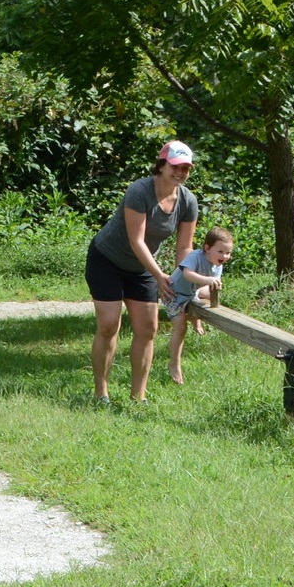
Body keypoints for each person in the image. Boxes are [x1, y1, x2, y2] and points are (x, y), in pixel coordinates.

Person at [86, 141, 200, 402]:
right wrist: (160, 276)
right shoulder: (140, 191)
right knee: (108, 325)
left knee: (148, 328)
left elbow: (185, 247)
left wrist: (186, 281)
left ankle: (138, 397)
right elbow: (136, 240)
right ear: (161, 166)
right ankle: (101, 393)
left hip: (144, 267)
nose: (180, 172)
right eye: (175, 166)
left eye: (185, 168)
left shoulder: (188, 201)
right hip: (107, 260)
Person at [162, 226, 233, 384]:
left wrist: (215, 286)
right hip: (173, 294)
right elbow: (187, 274)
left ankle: (195, 317)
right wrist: (208, 281)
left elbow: (209, 284)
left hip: (192, 292)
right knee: (180, 328)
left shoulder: (218, 265)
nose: (225, 256)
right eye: (221, 251)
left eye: (228, 253)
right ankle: (174, 363)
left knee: (207, 295)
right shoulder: (195, 256)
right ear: (207, 248)